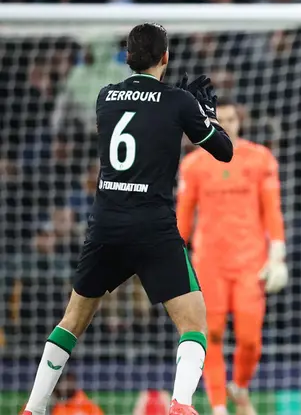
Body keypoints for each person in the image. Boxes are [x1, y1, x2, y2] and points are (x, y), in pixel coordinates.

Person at [22, 23, 234, 415]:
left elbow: (141, 120)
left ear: (128, 57)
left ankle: (32, 408)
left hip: (107, 225)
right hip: (153, 227)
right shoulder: (178, 102)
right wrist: (206, 116)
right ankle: (181, 404)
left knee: (72, 320)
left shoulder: (105, 96)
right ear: (165, 57)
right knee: (193, 324)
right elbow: (224, 151)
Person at [177, 99, 287, 415]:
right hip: (208, 263)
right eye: (219, 120)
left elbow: (272, 210)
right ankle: (218, 406)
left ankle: (239, 385)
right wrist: (173, 259)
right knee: (209, 334)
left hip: (250, 263)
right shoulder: (193, 165)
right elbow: (183, 218)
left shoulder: (260, 159)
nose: (226, 125)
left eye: (230, 119)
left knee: (250, 339)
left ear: (239, 122)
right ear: (211, 124)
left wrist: (277, 254)